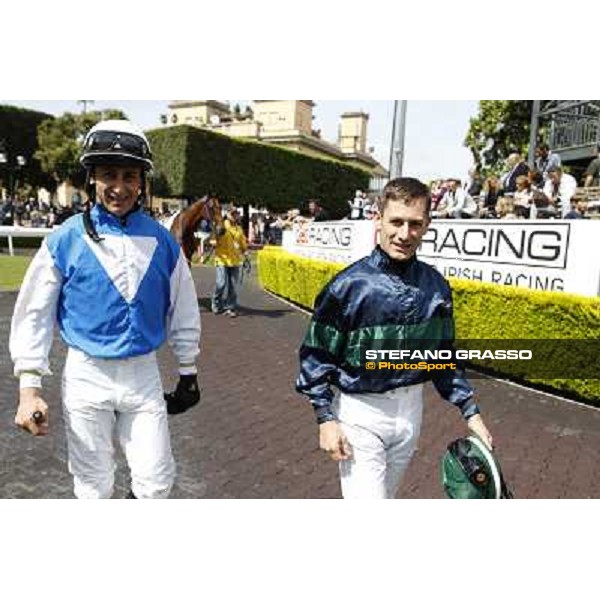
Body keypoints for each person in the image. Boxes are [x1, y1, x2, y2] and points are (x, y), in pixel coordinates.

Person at [9, 119, 201, 499]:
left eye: (130, 176)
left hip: (143, 375)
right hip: (86, 375)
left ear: (142, 182)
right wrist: (29, 388)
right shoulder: (64, 239)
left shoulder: (163, 241)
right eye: (108, 174)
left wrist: (187, 370)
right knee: (93, 486)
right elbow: (34, 313)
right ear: (91, 179)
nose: (119, 187)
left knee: (156, 483)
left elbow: (183, 308)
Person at [296, 177, 493, 499]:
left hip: (411, 414)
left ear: (427, 224)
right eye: (396, 221)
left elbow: (444, 357)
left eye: (414, 224)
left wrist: (471, 412)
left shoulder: (437, 287)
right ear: (378, 219)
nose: (404, 234)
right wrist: (325, 418)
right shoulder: (348, 286)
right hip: (360, 413)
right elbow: (316, 356)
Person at [211, 206, 248, 318]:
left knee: (233, 286)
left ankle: (230, 307)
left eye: (236, 213)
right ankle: (216, 302)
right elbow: (214, 237)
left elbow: (242, 244)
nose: (235, 215)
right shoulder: (221, 225)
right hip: (221, 260)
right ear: (227, 214)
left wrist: (246, 254)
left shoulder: (239, 229)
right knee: (221, 283)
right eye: (233, 213)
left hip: (235, 261)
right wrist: (213, 241)